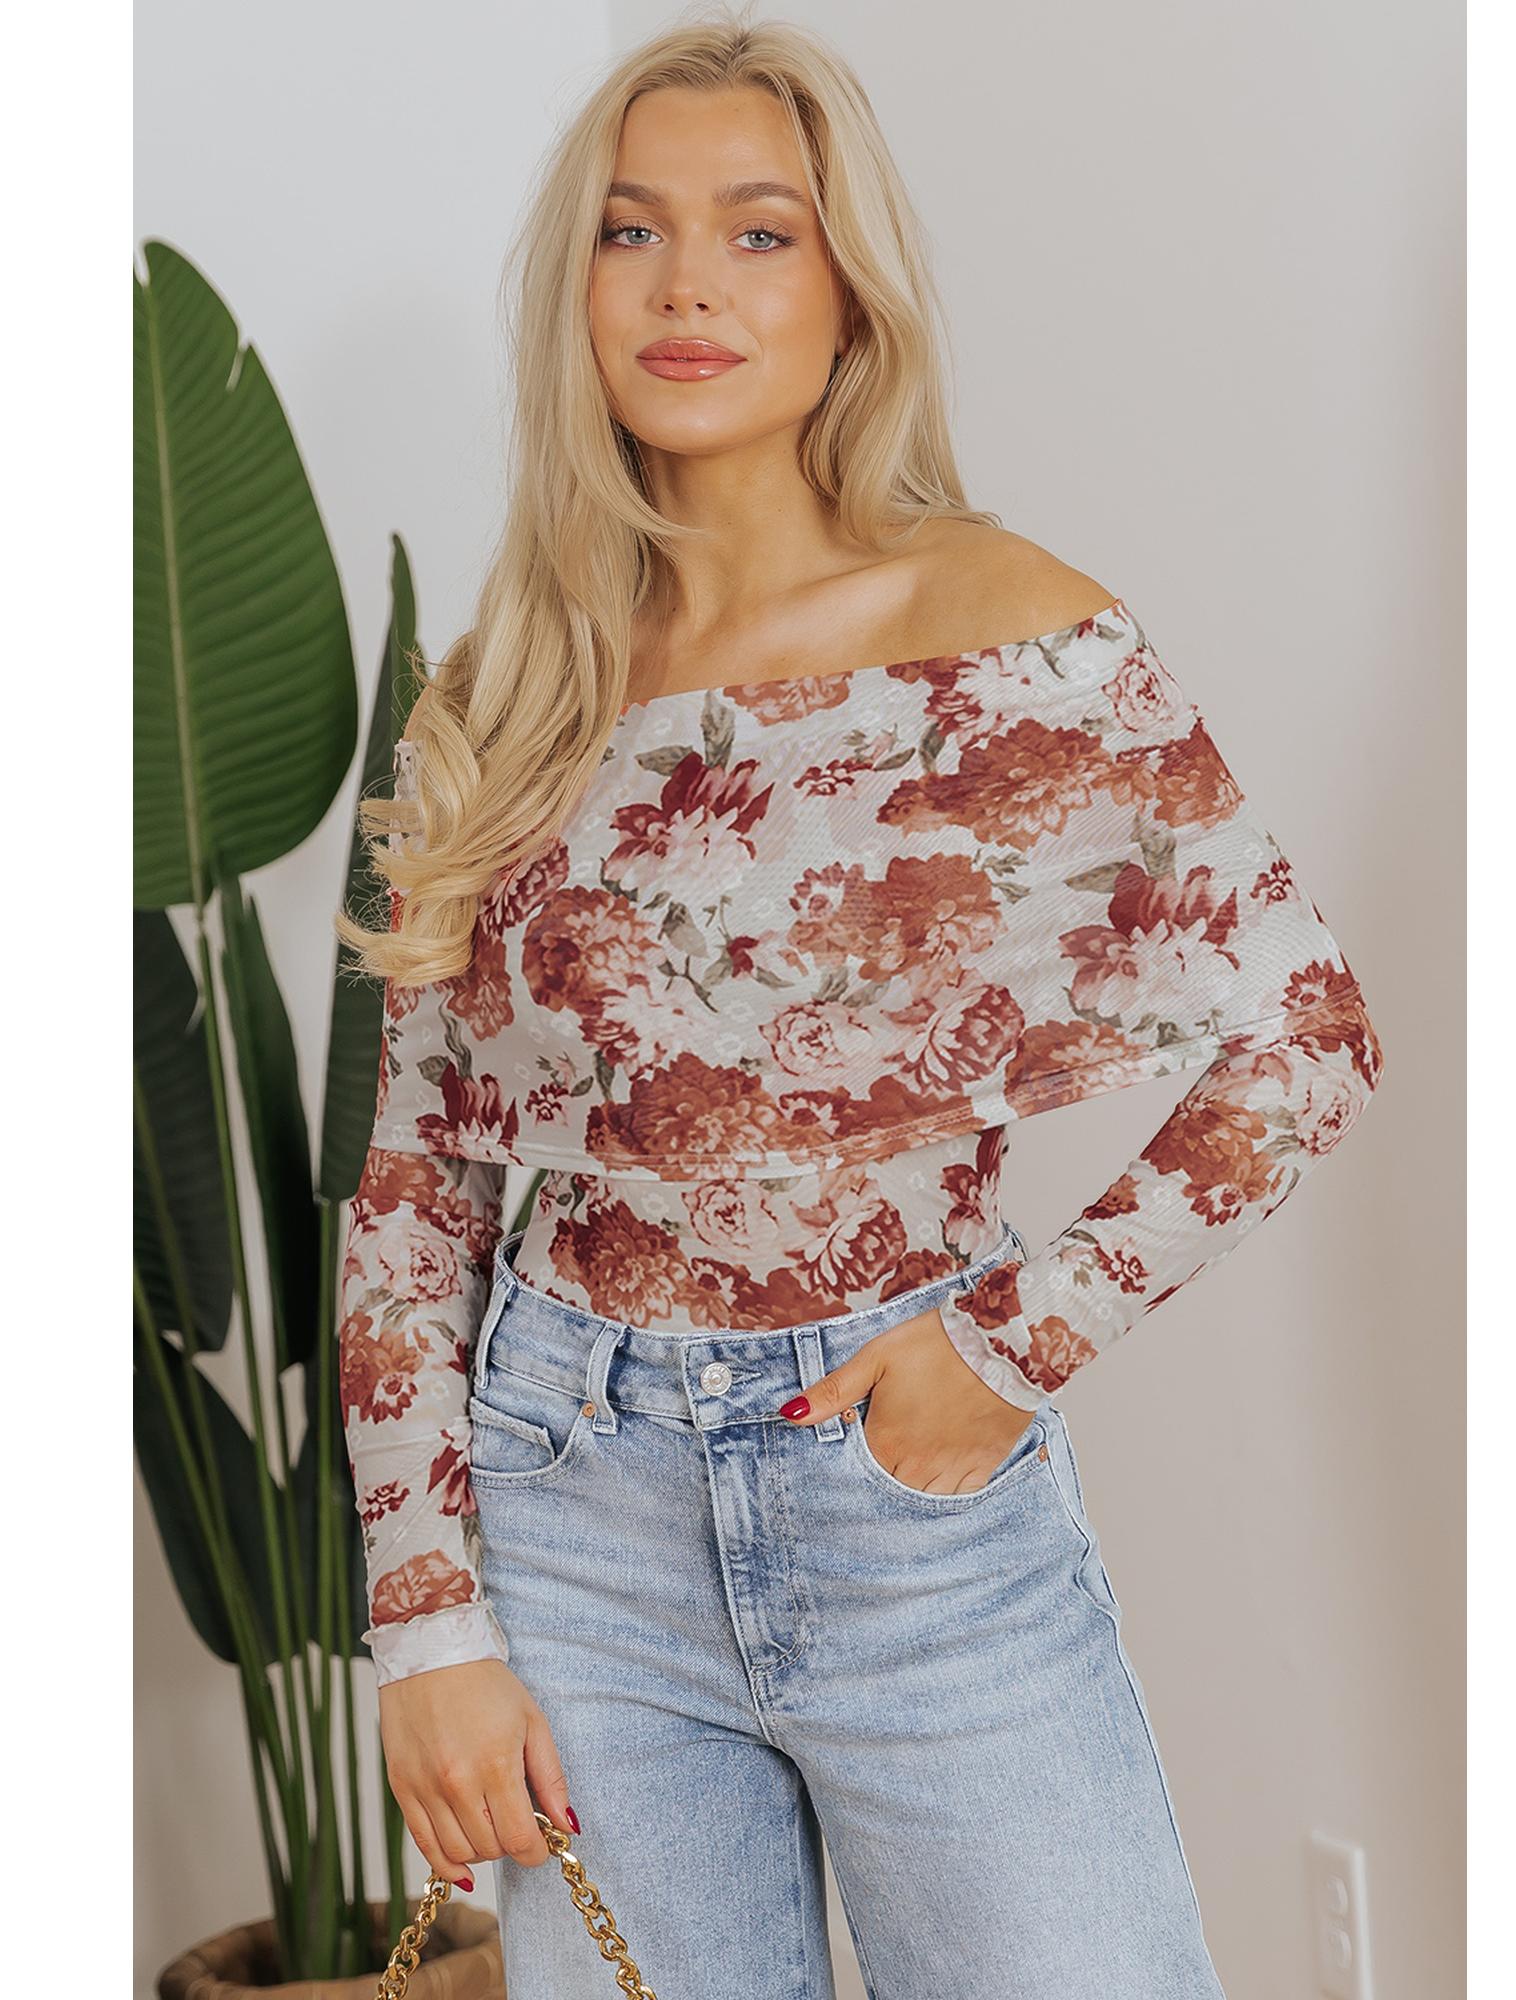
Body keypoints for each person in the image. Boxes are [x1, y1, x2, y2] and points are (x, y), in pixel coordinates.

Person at [332, 15, 1383, 1997]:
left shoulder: (1001, 631)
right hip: (573, 1517)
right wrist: (428, 1626)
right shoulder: (514, 683)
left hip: (908, 1505)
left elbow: (1302, 1035)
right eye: (630, 232)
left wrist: (1004, 1350)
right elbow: (411, 1194)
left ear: (850, 295)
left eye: (759, 232)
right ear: (576, 288)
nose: (687, 288)